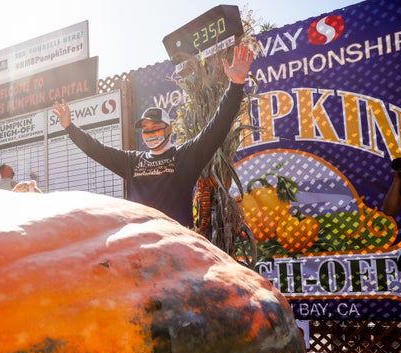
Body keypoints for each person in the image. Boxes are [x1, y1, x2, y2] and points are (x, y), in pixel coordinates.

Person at [52, 42, 254, 227]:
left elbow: (217, 127)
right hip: (140, 244)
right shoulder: (131, 161)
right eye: (146, 130)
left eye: (156, 128)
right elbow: (97, 150)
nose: (150, 133)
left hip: (177, 243)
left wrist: (236, 85)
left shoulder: (185, 157)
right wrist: (70, 126)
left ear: (169, 129)